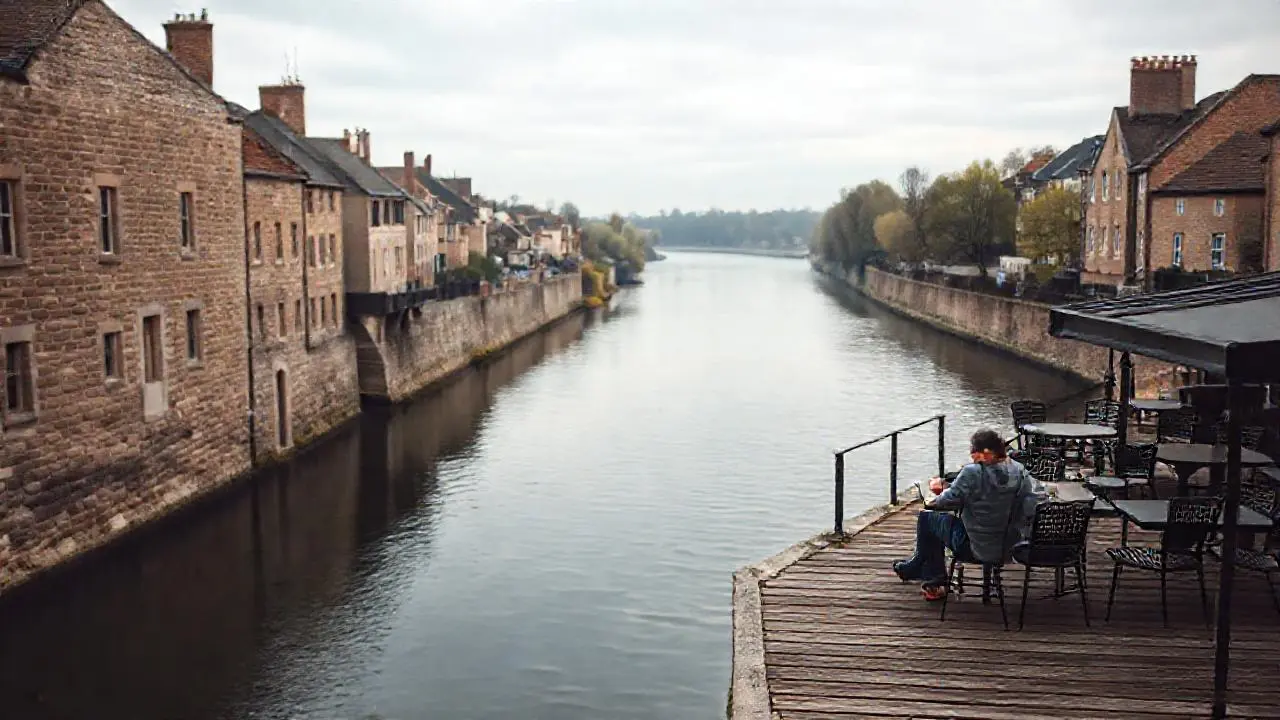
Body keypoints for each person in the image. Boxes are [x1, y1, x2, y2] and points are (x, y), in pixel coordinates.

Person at [892, 428, 1040, 601]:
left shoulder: (972, 473)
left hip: (974, 547)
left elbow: (941, 503)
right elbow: (1032, 506)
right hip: (1009, 546)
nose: (971, 455)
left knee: (927, 518)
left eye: (974, 451)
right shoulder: (1019, 471)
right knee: (939, 521)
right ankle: (916, 566)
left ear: (986, 453)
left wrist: (933, 492)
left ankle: (935, 580)